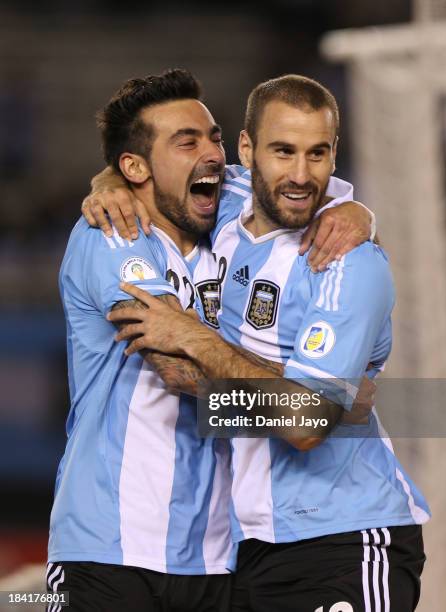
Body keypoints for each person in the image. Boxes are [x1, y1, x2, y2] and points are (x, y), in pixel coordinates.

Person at [50, 69, 374, 612]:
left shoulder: (228, 210)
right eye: (187, 142)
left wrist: (357, 213)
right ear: (134, 169)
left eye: (215, 138)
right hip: (112, 549)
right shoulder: (112, 234)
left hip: (218, 557)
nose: (211, 155)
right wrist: (313, 408)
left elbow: (306, 190)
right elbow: (179, 371)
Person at [107, 75, 430, 611]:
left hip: (346, 542)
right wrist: (108, 184)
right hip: (251, 546)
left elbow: (305, 425)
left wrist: (194, 339)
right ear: (246, 150)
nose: (301, 176)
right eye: (283, 151)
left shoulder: (347, 262)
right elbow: (150, 173)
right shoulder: (228, 205)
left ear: (334, 155)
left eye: (317, 154)